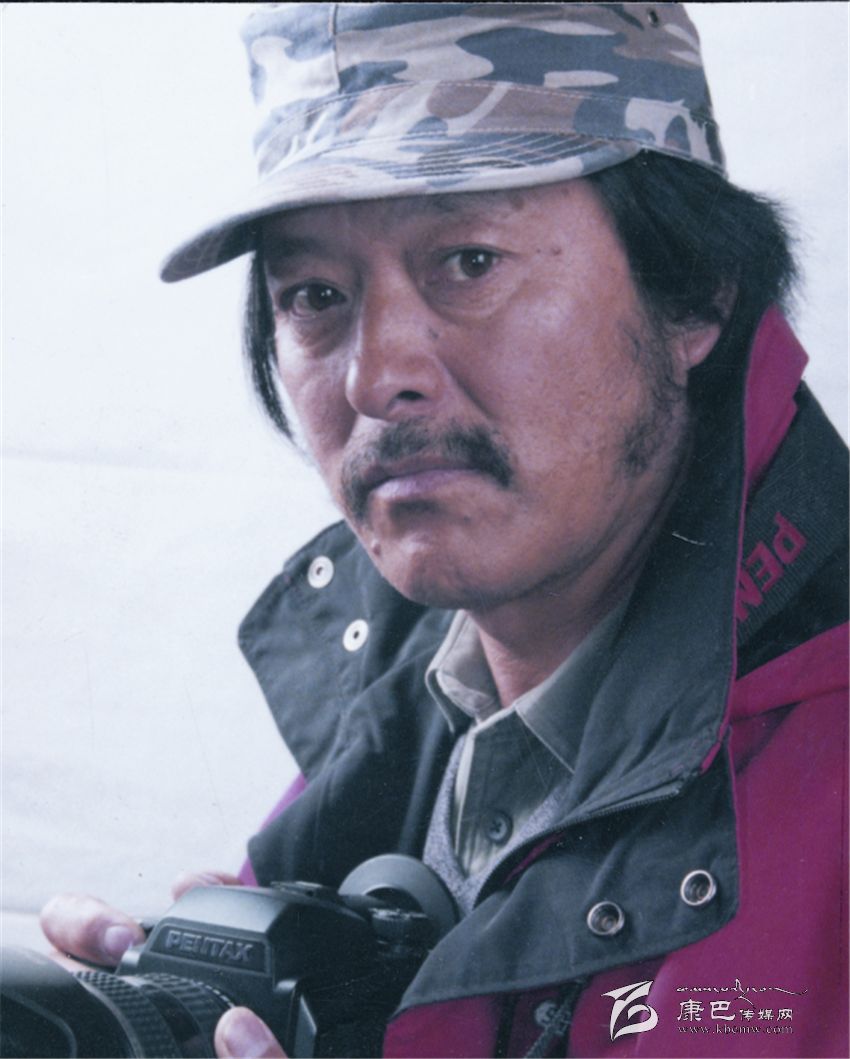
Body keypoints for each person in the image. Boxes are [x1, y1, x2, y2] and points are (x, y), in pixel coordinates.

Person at [40, 4, 848, 1056]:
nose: (377, 377)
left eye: (468, 262)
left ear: (694, 291)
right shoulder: (383, 736)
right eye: (315, 294)